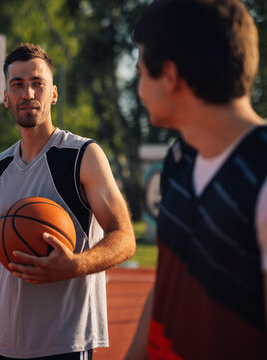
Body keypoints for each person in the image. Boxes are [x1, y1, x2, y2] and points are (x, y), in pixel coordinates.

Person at [0, 43, 136, 360]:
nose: (27, 93)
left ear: (53, 93)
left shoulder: (82, 155)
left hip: (63, 343)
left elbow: (124, 236)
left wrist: (74, 266)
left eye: (37, 83)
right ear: (5, 97)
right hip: (2, 344)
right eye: (17, 84)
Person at [126, 0, 267, 358]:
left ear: (170, 76)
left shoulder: (260, 177)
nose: (140, 90)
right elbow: (166, 284)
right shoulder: (179, 159)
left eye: (142, 72)